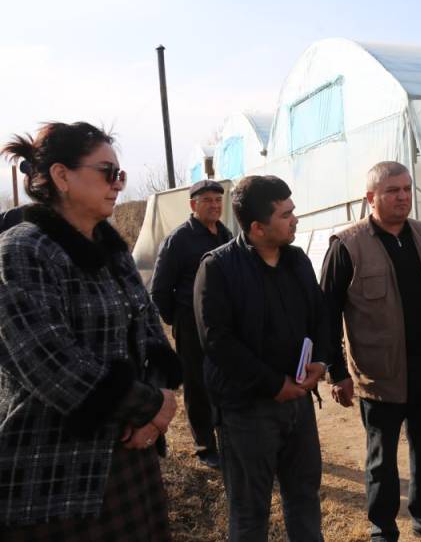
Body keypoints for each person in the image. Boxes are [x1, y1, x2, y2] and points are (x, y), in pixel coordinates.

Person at [0, 122, 180, 540]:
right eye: (107, 172)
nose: (117, 183)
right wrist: (151, 405)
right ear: (61, 176)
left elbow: (152, 336)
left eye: (120, 174)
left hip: (131, 459)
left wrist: (153, 416)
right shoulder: (20, 251)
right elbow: (49, 364)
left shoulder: (113, 251)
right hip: (54, 478)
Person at [321, 161, 421, 542]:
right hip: (380, 373)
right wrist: (337, 372)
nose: (403, 197)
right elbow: (326, 314)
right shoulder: (347, 245)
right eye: (392, 191)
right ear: (371, 197)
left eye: (406, 189)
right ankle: (382, 529)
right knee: (382, 459)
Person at [194, 175, 331, 541]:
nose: (295, 220)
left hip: (298, 403)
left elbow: (320, 316)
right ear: (257, 227)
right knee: (250, 512)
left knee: (304, 498)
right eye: (286, 215)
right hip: (246, 411)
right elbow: (217, 342)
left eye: (293, 211)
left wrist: (320, 362)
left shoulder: (297, 260)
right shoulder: (219, 267)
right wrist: (273, 385)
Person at [150, 179, 233, 469]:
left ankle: (229, 438)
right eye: (207, 200)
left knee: (227, 378)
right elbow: (160, 290)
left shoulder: (225, 234)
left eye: (218, 200)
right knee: (198, 386)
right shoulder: (179, 240)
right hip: (191, 323)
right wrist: (178, 320)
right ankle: (205, 446)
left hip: (224, 323)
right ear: (193, 204)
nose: (214, 205)